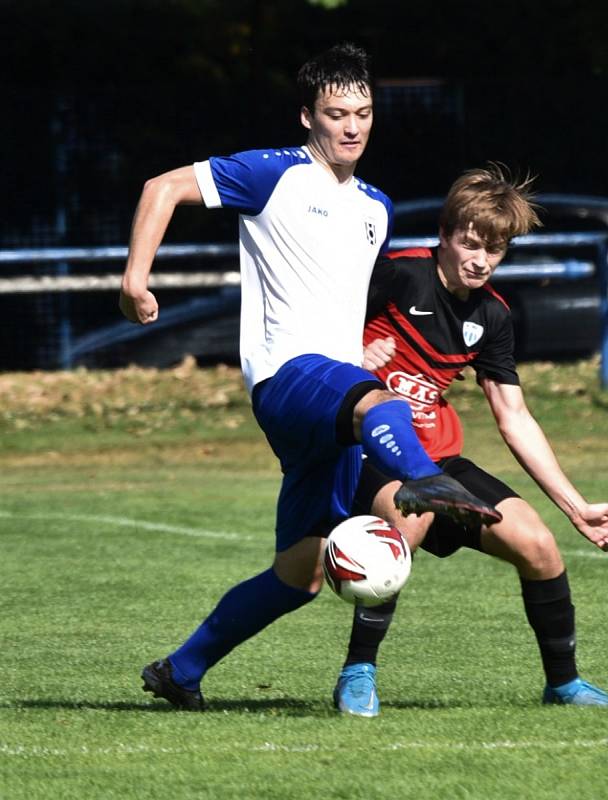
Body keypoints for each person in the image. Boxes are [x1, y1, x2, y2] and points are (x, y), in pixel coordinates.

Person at [119, 43, 499, 711]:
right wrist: (133, 280)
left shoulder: (375, 208)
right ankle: (424, 479)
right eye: (334, 113)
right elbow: (163, 187)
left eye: (362, 113)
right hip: (287, 376)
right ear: (307, 117)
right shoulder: (272, 173)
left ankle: (180, 669)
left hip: (327, 393)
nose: (350, 127)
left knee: (299, 574)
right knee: (381, 407)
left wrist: (359, 353)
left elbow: (335, 297)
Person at [332, 164, 608, 717]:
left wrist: (576, 507)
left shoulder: (493, 315)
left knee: (539, 548)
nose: (480, 260)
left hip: (440, 458)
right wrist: (351, 356)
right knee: (413, 514)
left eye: (494, 250)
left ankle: (563, 684)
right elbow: (312, 331)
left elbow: (513, 415)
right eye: (470, 244)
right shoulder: (397, 275)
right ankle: (357, 672)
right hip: (368, 453)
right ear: (444, 234)